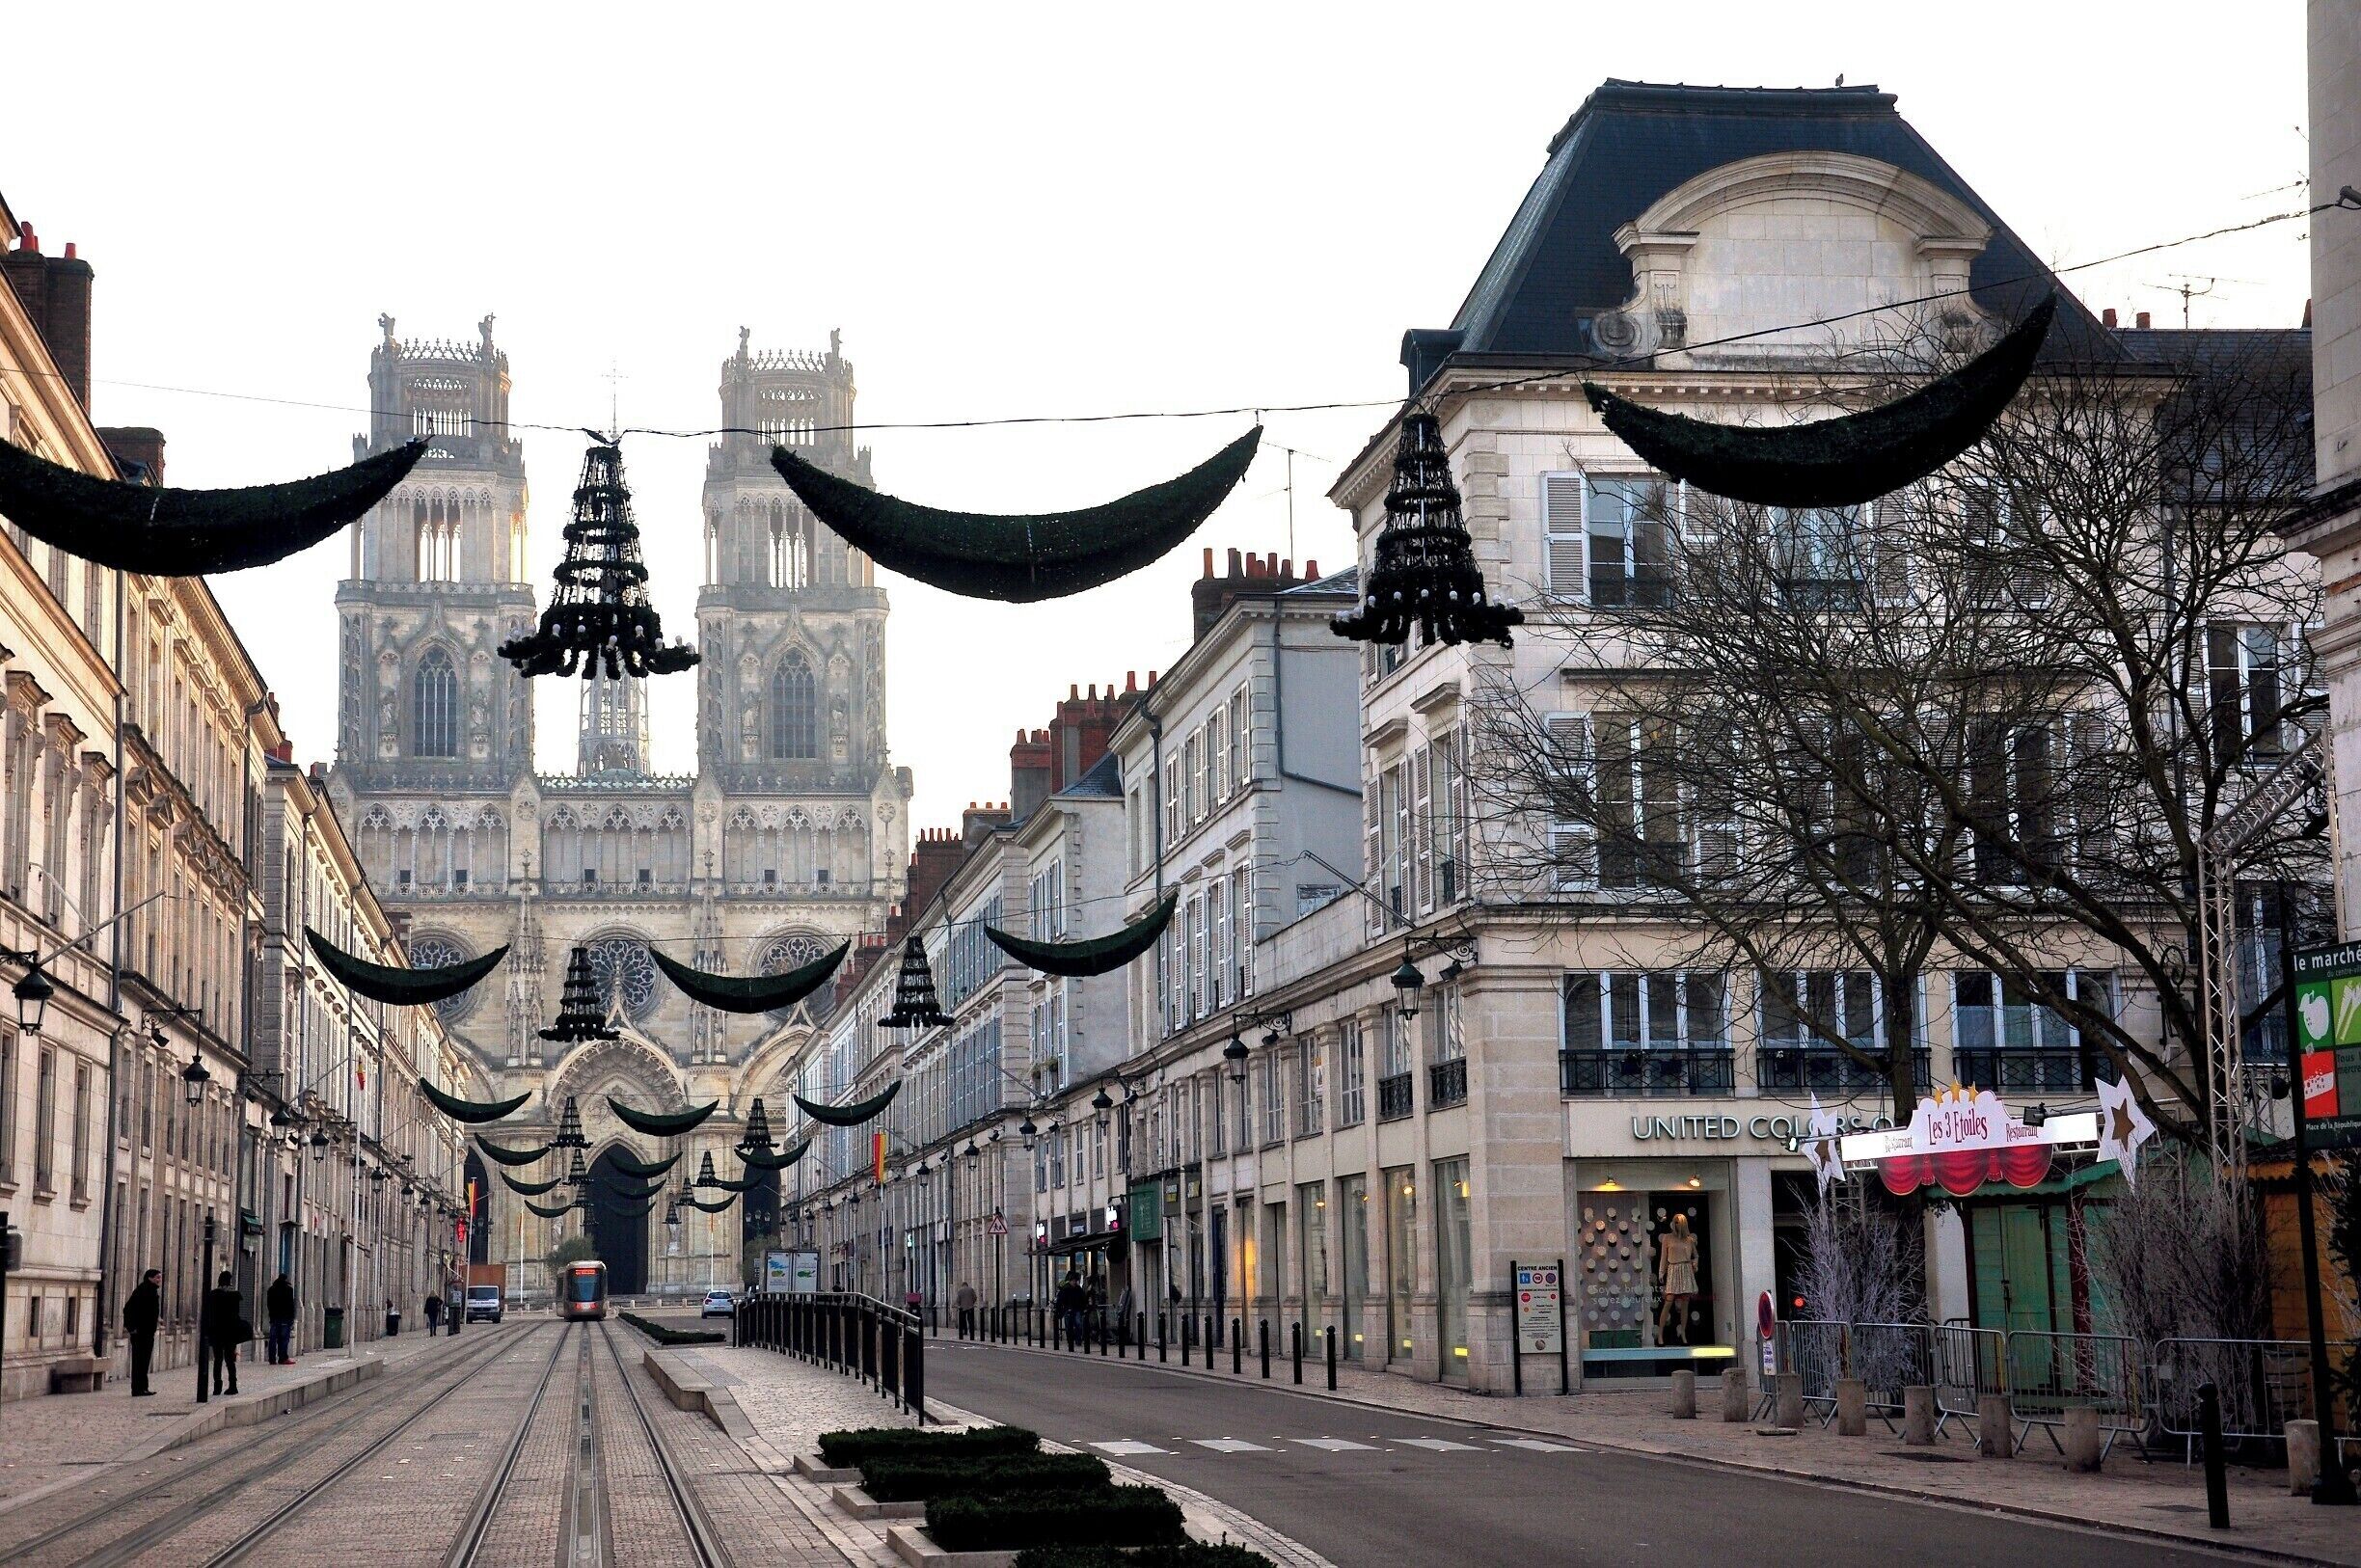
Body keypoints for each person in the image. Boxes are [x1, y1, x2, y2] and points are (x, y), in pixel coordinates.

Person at [204, 1270, 245, 1396]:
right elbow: (237, 1316)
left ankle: (217, 1387)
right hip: (230, 1333)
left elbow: (209, 1314)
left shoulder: (213, 1295)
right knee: (229, 1360)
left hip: (216, 1332)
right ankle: (233, 1385)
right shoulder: (234, 1295)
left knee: (218, 1359)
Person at [122, 1268, 161, 1395]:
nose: (159, 1280)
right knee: (139, 1361)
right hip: (140, 1333)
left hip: (148, 1332)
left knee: (144, 1361)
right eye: (157, 1277)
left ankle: (143, 1387)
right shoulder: (142, 1291)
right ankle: (137, 1388)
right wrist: (132, 1328)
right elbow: (127, 1309)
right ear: (150, 1278)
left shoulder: (152, 1291)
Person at [265, 1273, 296, 1365]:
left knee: (273, 1339)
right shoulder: (289, 1289)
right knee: (284, 1339)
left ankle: (272, 1359)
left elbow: (269, 1304)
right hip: (285, 1318)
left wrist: (271, 1315)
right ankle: (282, 1358)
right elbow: (291, 1305)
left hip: (274, 1318)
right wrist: (292, 1318)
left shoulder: (271, 1289)